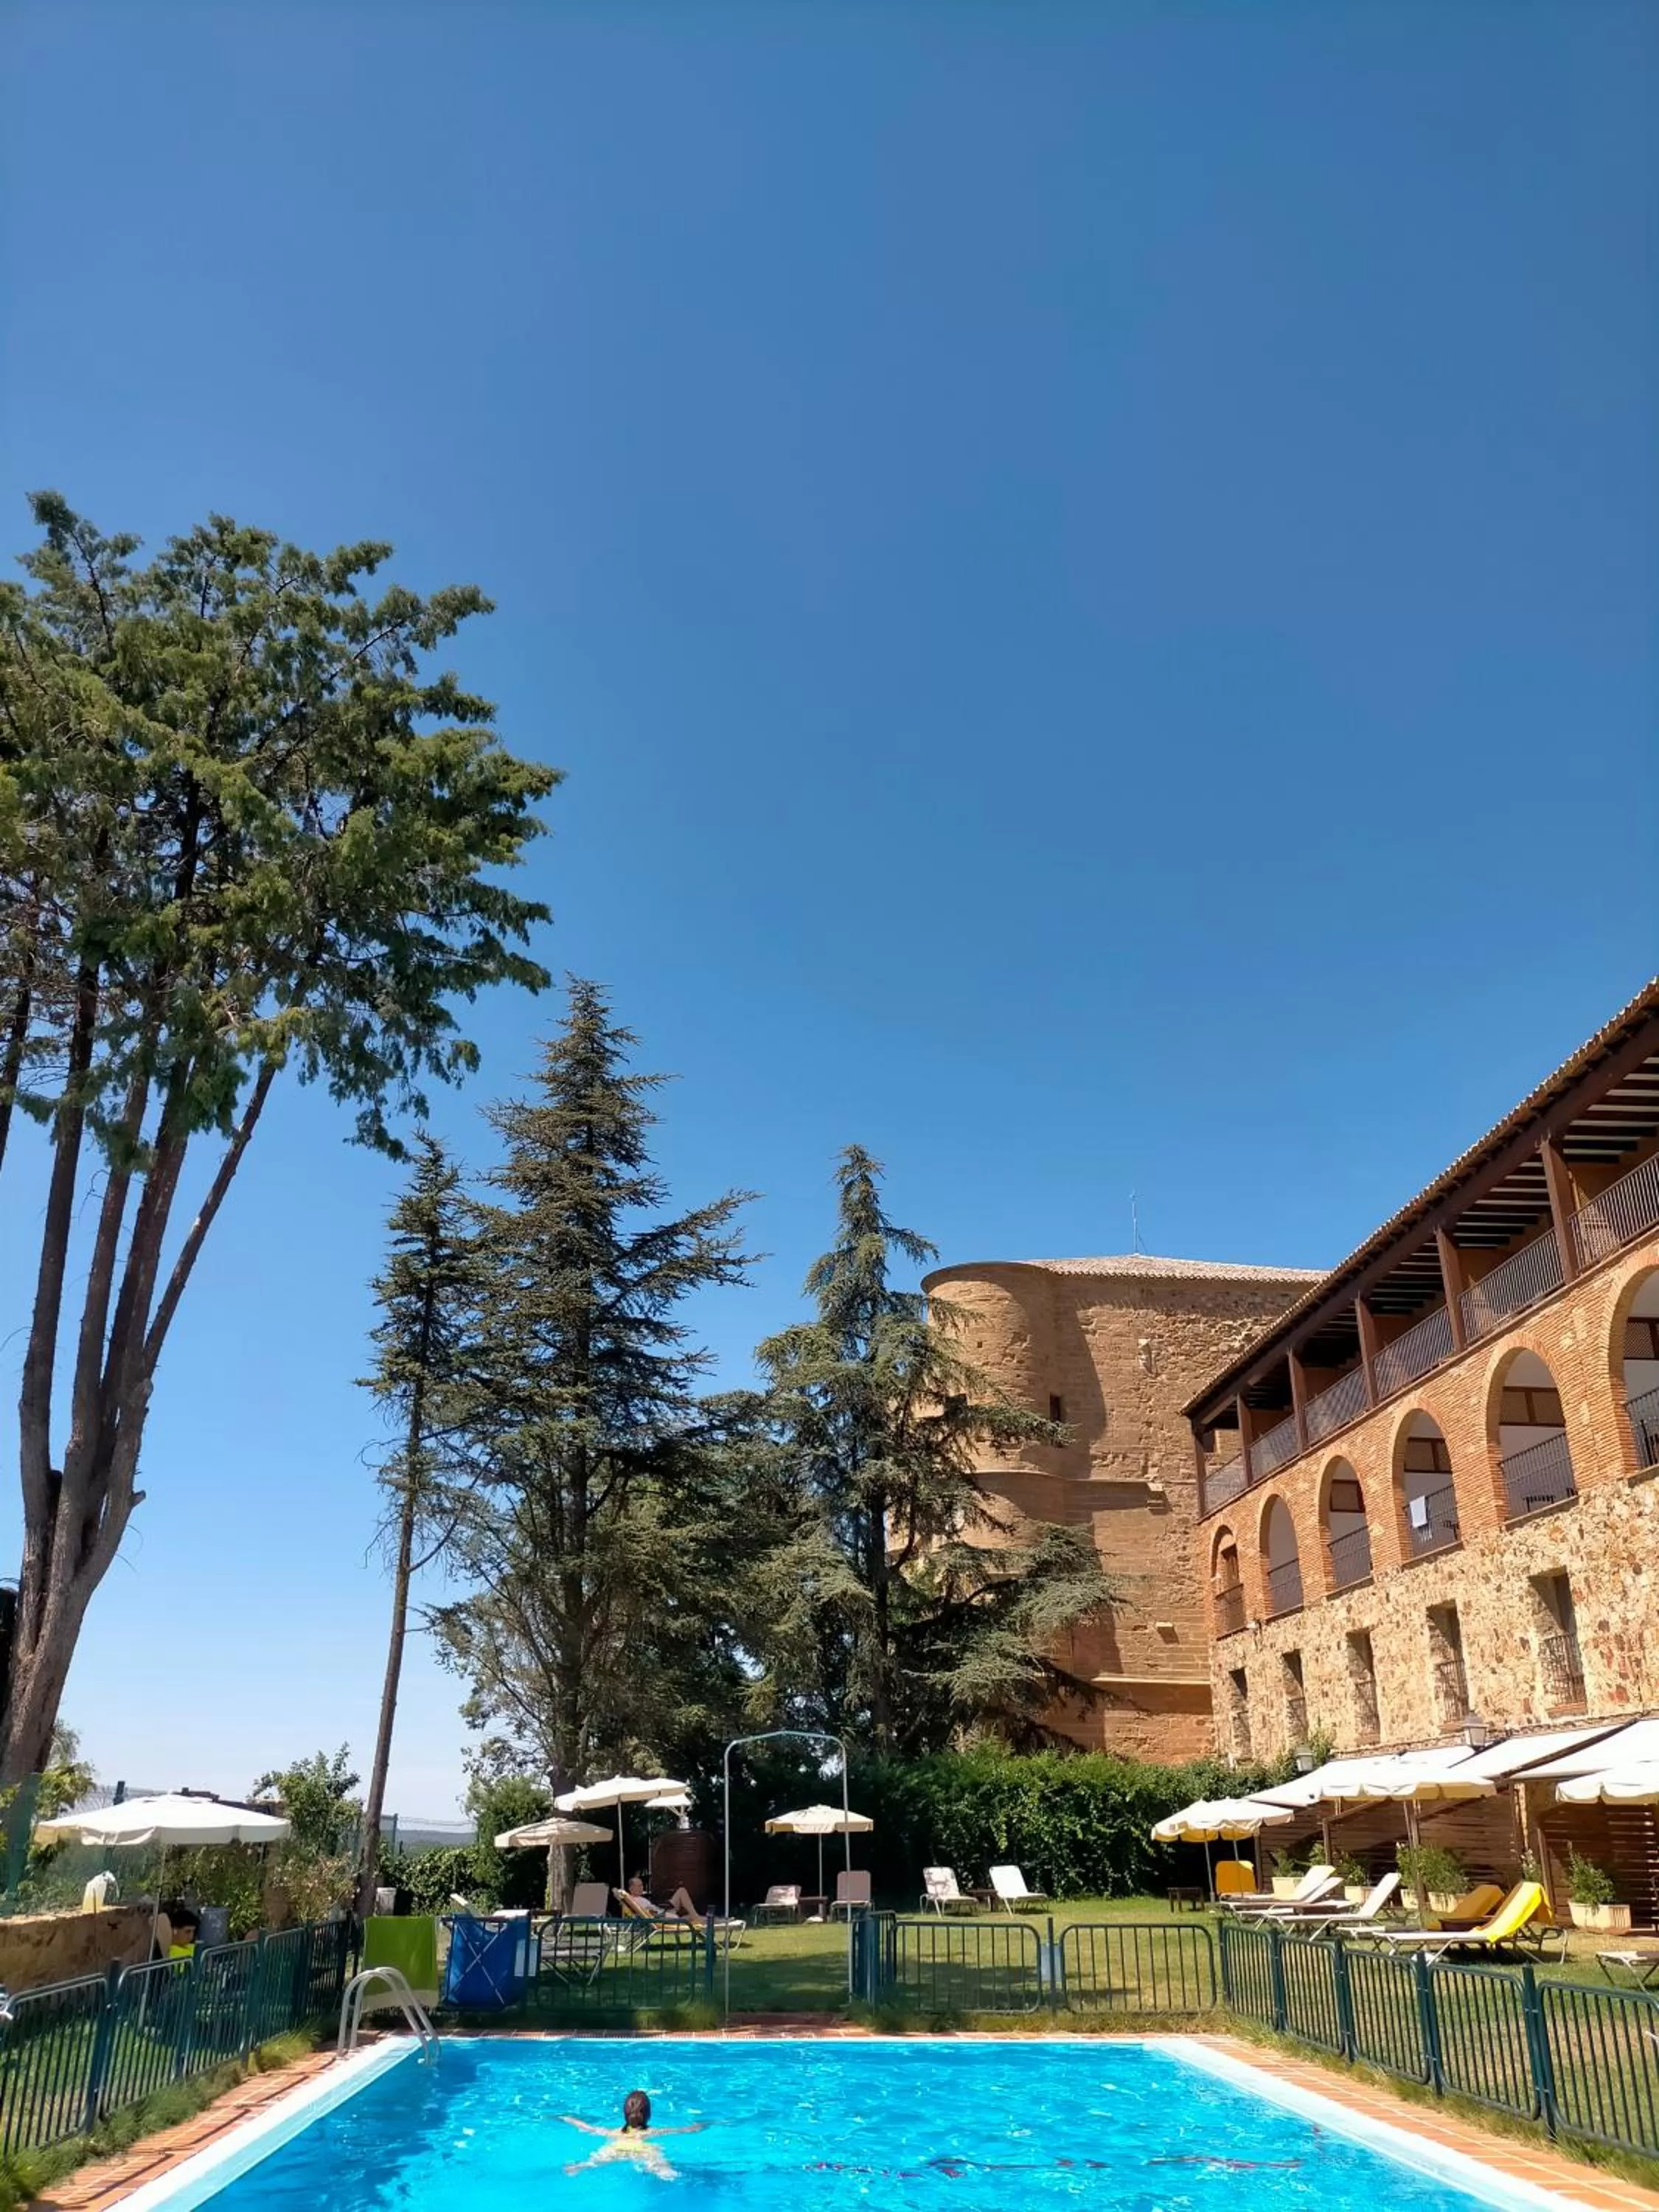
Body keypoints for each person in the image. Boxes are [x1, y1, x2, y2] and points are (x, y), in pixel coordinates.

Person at [560, 2090, 703, 2180]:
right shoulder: (652, 2132)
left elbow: (589, 2128)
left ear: (625, 2114)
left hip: (617, 2147)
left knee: (596, 2161)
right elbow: (683, 2130)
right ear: (648, 2115)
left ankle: (581, 2166)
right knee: (659, 2163)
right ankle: (665, 2173)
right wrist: (701, 2125)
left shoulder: (614, 2132)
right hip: (643, 2149)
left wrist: (568, 2118)